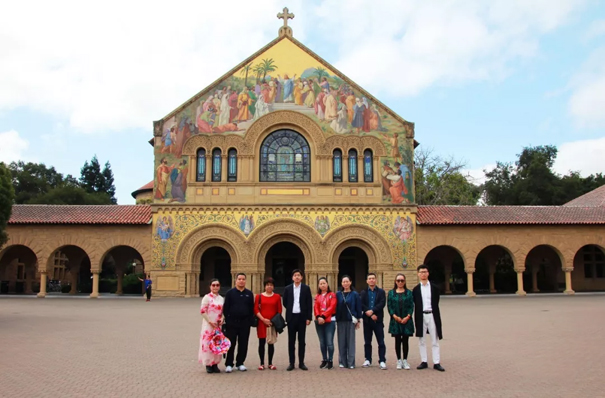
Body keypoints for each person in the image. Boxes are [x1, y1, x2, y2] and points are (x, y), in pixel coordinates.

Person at [413, 264, 445, 371]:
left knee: (434, 339)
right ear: (418, 274)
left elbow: (436, 301)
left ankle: (436, 362)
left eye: (425, 272)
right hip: (421, 315)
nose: (423, 274)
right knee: (422, 340)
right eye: (421, 272)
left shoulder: (435, 288)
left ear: (428, 273)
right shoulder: (416, 289)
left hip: (432, 315)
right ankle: (424, 361)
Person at [223, 273, 254, 373]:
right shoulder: (230, 293)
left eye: (243, 279)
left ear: (245, 281)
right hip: (232, 323)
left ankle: (240, 363)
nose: (241, 281)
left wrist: (249, 320)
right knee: (231, 344)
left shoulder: (249, 294)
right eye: (239, 279)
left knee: (243, 343)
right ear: (235, 280)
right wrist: (228, 320)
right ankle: (229, 364)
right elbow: (226, 308)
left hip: (245, 323)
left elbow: (251, 308)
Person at [282, 269, 312, 371]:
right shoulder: (288, 289)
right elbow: (285, 302)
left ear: (302, 277)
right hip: (291, 318)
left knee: (302, 341)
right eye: (295, 275)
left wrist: (308, 318)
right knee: (291, 341)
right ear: (292, 277)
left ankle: (301, 363)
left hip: (302, 317)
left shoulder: (306, 288)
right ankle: (291, 363)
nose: (297, 277)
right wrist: (291, 309)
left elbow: (309, 303)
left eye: (299, 275)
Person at [359, 273, 387, 370]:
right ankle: (367, 359)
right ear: (367, 281)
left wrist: (373, 311)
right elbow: (361, 304)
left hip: (378, 320)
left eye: (373, 278)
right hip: (367, 320)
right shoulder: (363, 292)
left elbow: (382, 303)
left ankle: (382, 360)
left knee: (381, 341)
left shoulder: (381, 292)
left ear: (376, 280)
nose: (371, 280)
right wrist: (370, 313)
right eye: (369, 278)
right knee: (367, 341)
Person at [387, 273, 414, 370]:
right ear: (395, 281)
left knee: (406, 340)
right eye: (398, 280)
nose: (400, 282)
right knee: (397, 340)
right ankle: (399, 360)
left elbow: (411, 306)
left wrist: (408, 316)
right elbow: (389, 306)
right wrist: (395, 316)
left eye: (402, 280)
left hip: (406, 320)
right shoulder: (391, 293)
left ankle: (405, 360)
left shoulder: (409, 293)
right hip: (396, 320)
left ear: (405, 281)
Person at [254, 278, 282, 370]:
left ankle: (270, 363)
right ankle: (261, 363)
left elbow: (279, 310)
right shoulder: (259, 296)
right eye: (267, 285)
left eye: (271, 285)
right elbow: (256, 309)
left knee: (271, 343)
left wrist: (272, 321)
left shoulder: (277, 296)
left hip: (272, 323)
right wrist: (263, 319)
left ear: (273, 287)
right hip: (262, 322)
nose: (269, 287)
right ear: (264, 286)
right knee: (261, 343)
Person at [199, 279, 225, 373]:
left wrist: (222, 318)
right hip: (209, 325)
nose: (215, 287)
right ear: (210, 286)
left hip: (218, 325)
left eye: (217, 285)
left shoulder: (221, 298)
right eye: (213, 285)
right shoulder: (207, 297)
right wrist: (210, 322)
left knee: (217, 344)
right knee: (208, 343)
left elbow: (223, 312)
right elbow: (202, 311)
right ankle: (208, 364)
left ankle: (215, 363)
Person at [336, 275, 361, 369]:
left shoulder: (355, 294)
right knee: (341, 341)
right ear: (341, 283)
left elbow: (358, 307)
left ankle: (351, 362)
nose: (345, 283)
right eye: (343, 282)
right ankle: (342, 361)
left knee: (351, 342)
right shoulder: (338, 294)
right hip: (340, 320)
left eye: (347, 281)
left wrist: (358, 320)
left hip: (351, 320)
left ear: (350, 282)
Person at [314, 277, 337, 369]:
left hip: (330, 320)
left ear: (327, 284)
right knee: (322, 342)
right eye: (321, 284)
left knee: (329, 342)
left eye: (324, 283)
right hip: (319, 321)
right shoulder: (317, 296)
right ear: (319, 285)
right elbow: (315, 307)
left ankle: (330, 360)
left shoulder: (332, 295)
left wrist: (323, 316)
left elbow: (332, 307)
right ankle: (324, 359)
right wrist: (318, 317)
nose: (322, 285)